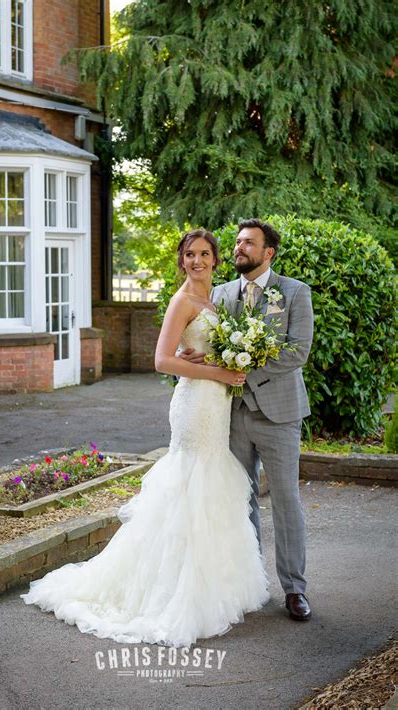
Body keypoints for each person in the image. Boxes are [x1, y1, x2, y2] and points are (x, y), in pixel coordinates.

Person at [21, 229, 269, 647]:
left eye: (205, 254)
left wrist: (215, 360)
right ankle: (176, 593)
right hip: (194, 406)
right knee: (189, 486)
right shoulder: (183, 301)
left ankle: (216, 586)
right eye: (190, 254)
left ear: (216, 259)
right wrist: (217, 372)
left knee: (212, 488)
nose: (197, 261)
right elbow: (160, 360)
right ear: (181, 260)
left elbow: (199, 349)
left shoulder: (216, 301)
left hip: (217, 404)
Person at [180, 219, 314, 621]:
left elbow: (297, 352)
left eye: (248, 243)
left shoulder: (294, 293)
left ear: (267, 252)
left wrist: (241, 369)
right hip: (230, 413)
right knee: (240, 499)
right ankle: (251, 583)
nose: (239, 248)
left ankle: (294, 589)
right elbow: (204, 344)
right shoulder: (219, 295)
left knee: (286, 501)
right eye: (237, 242)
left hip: (279, 413)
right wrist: (198, 359)